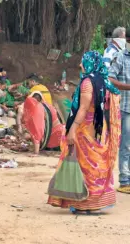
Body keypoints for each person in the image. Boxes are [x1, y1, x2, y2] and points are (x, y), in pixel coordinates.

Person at [47, 51, 121, 214]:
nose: (80, 65)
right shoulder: (104, 80)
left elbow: (83, 108)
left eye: (83, 62)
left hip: (86, 128)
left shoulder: (88, 82)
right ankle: (99, 200)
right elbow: (112, 100)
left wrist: (73, 128)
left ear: (90, 64)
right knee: (97, 162)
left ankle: (86, 202)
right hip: (100, 128)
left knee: (85, 163)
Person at [108, 43, 130, 193]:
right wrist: (128, 87)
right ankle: (124, 181)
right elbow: (110, 78)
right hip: (126, 108)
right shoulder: (120, 57)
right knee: (126, 145)